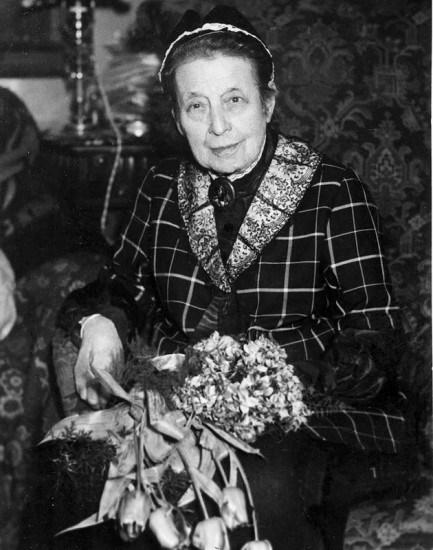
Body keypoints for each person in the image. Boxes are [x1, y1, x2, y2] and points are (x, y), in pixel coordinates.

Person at [56, 5, 407, 549]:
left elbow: (375, 333)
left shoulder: (333, 192)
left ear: (268, 102)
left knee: (250, 484)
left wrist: (266, 384)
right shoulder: (160, 187)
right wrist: (101, 322)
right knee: (91, 479)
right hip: (179, 404)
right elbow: (122, 287)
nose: (217, 127)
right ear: (177, 118)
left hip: (310, 416)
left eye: (235, 100)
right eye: (196, 106)